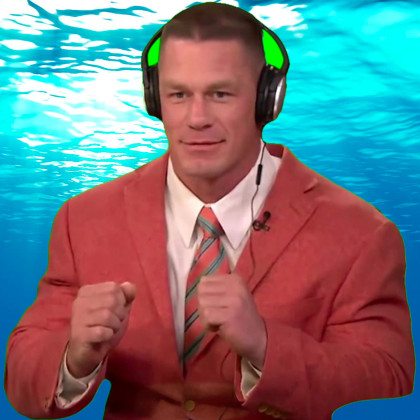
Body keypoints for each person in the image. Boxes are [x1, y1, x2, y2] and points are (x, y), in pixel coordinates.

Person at [4, 3, 415, 420]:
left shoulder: (362, 233)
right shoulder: (85, 219)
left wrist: (266, 347)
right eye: (179, 95)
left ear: (267, 100)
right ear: (154, 99)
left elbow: (389, 376)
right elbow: (21, 375)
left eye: (220, 94)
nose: (196, 118)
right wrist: (75, 357)